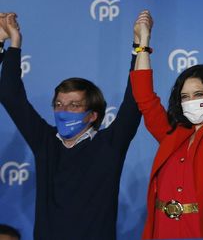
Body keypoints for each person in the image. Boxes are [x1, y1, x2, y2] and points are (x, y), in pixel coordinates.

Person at [0, 13, 141, 239]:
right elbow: (9, 95)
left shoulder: (110, 144)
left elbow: (135, 101)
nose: (63, 111)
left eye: (74, 105)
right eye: (58, 104)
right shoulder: (45, 141)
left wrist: (140, 47)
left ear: (93, 115)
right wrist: (12, 43)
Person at [129, 7, 203, 239]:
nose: (190, 102)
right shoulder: (172, 133)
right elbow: (144, 98)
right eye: (185, 97)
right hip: (163, 229)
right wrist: (143, 42)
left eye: (198, 94)